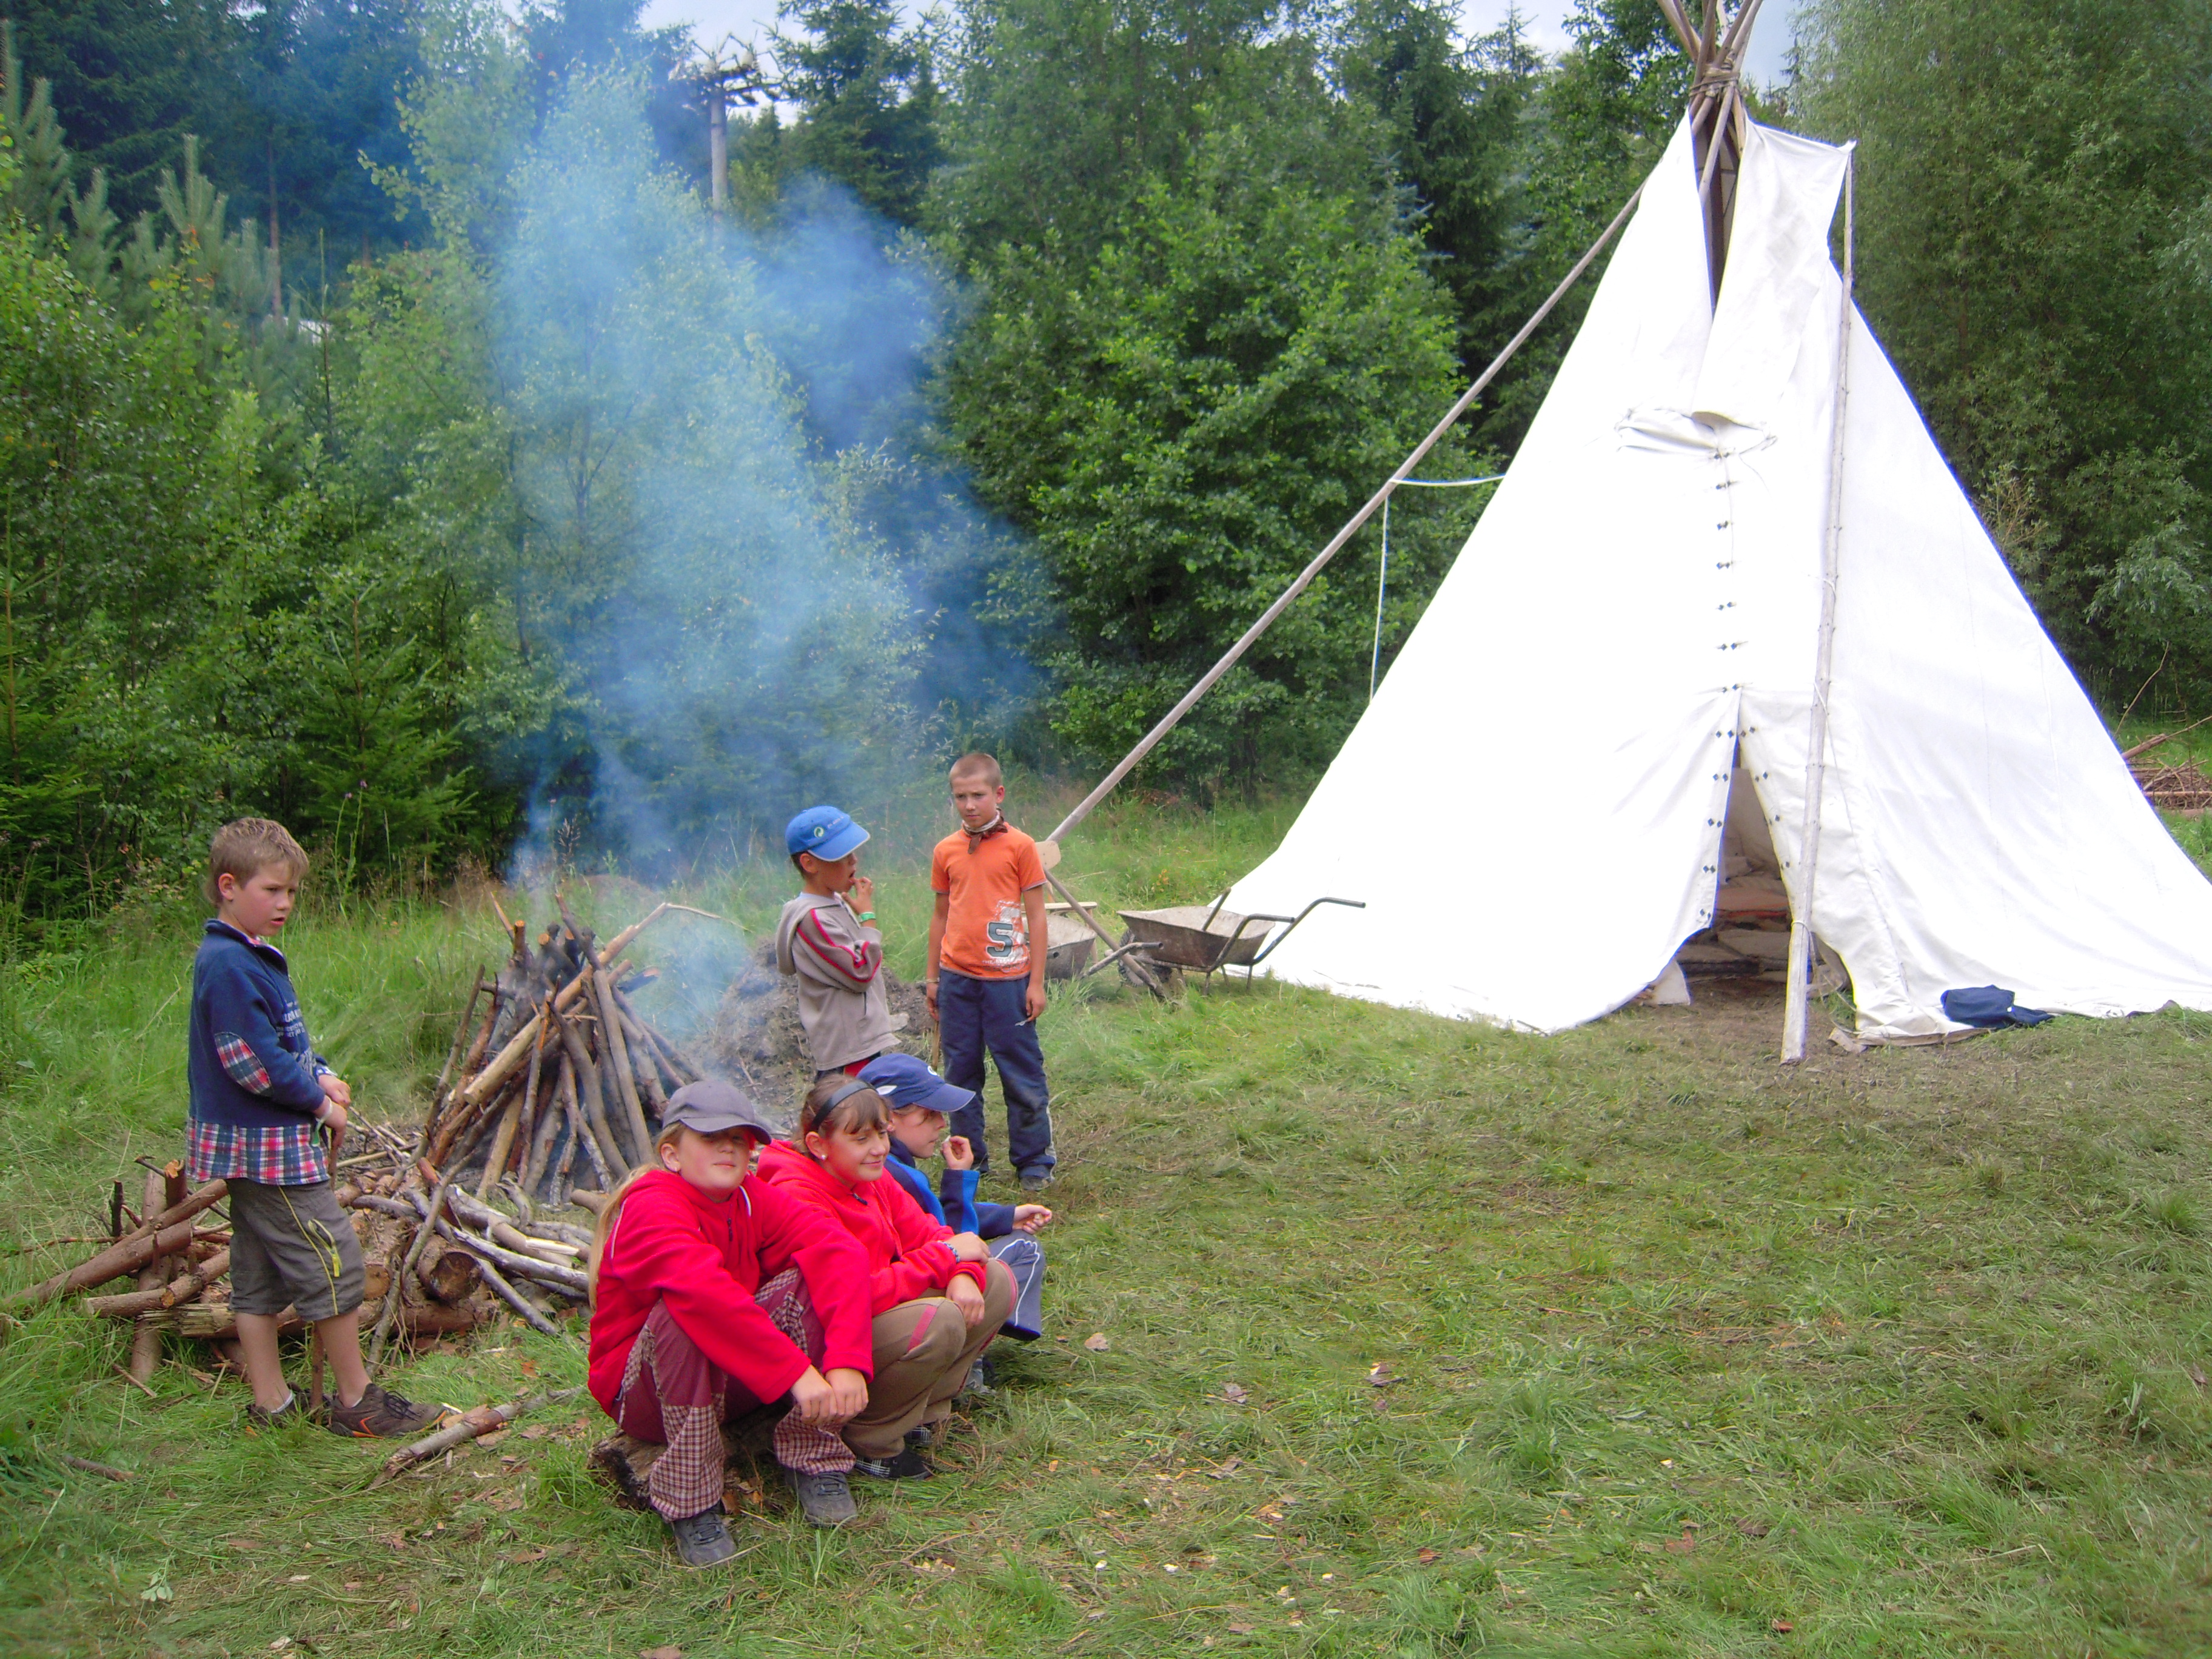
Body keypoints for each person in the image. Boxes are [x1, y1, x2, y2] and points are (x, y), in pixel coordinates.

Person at [187, 818, 441, 1438]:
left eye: (292, 892)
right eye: (272, 890)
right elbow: (253, 1064)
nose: (285, 903)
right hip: (267, 1149)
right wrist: (321, 1108)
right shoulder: (228, 963)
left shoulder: (250, 956)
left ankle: (273, 1403)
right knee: (335, 1260)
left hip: (261, 1146)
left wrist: (321, 1075)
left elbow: (284, 1044)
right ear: (229, 886)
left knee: (257, 1270)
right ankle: (356, 1400)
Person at [587, 1080, 883, 1555]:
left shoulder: (750, 1196)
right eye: (710, 1137)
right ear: (672, 1155)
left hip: (729, 1376)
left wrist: (847, 1360)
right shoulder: (650, 1204)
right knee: (681, 1313)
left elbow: (838, 1248)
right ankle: (692, 1503)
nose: (729, 1147)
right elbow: (704, 1294)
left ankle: (814, 1456)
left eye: (740, 1139)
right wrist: (796, 1373)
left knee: (810, 1273)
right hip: (645, 1395)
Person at [758, 1078, 1016, 1478]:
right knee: (938, 1320)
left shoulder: (869, 1177)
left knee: (994, 1278)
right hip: (826, 1339)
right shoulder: (796, 1195)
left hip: (873, 1313)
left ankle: (922, 1414)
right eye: (861, 1138)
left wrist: (962, 1272)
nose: (879, 1148)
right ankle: (871, 1439)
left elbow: (931, 1233)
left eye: (881, 1133)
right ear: (818, 1145)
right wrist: (947, 1258)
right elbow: (853, 1294)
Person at [925, 753, 1056, 1189]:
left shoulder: (1021, 846)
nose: (969, 805)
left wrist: (1036, 982)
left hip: (1008, 980)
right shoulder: (946, 850)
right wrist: (933, 978)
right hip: (957, 980)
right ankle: (970, 1160)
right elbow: (940, 915)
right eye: (960, 797)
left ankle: (1034, 1160)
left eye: (978, 795)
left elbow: (1037, 916)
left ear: (998, 794)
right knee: (961, 1074)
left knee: (1020, 1070)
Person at [860, 1052, 1050, 1349]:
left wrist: (1005, 1216)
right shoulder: (898, 1176)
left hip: (896, 1301)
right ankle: (977, 1345)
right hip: (910, 1303)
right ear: (890, 1119)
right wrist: (959, 1180)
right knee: (1026, 1248)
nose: (941, 1123)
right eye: (929, 1114)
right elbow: (955, 1240)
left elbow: (931, 1220)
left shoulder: (882, 1167)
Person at [777, 805, 895, 1080]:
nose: (854, 861)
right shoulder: (813, 919)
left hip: (859, 1042)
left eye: (853, 852)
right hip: (849, 1048)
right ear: (809, 864)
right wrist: (867, 918)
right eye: (842, 856)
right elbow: (860, 973)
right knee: (852, 1105)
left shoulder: (834, 902)